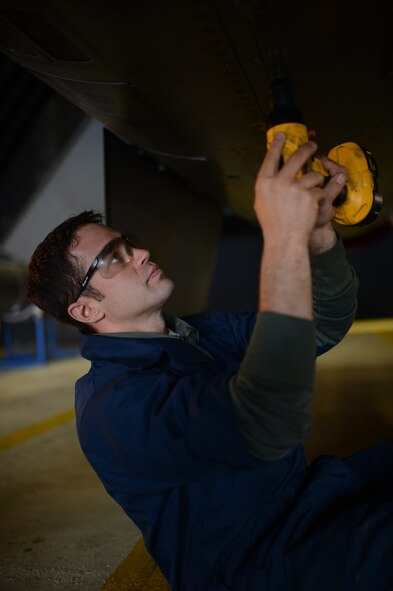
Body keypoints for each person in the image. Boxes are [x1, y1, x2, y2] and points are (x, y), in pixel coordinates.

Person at [27, 133, 392, 590]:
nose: (141, 254)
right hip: (261, 562)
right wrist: (282, 239)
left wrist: (317, 237)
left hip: (310, 500)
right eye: (113, 260)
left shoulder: (196, 335)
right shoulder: (113, 409)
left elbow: (324, 324)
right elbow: (267, 418)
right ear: (86, 311)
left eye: (128, 244)